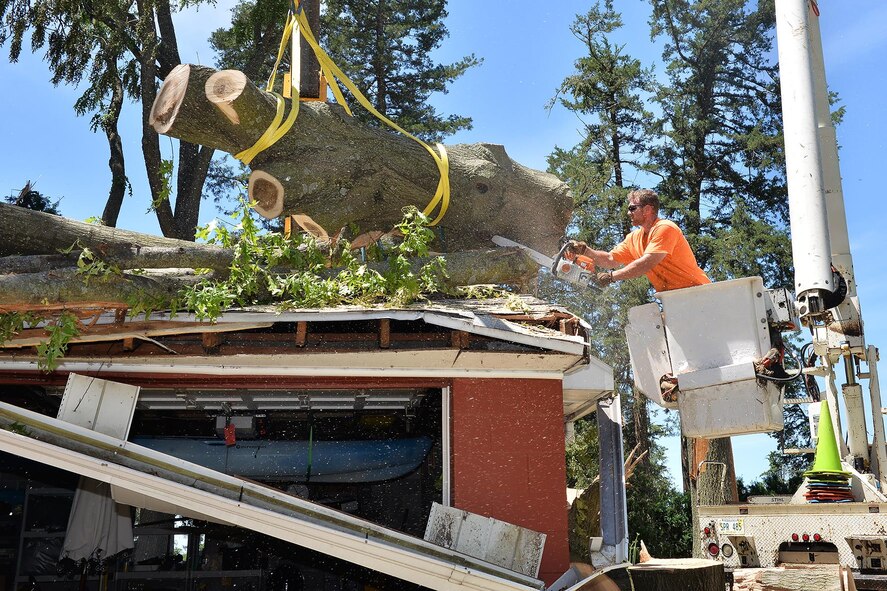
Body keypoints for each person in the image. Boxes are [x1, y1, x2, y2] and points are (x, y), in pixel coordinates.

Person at [568, 189, 710, 291]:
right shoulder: (634, 238)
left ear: (647, 209)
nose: (628, 213)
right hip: (672, 296)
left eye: (632, 208)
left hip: (698, 291)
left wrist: (612, 276)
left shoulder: (665, 228)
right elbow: (610, 259)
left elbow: (646, 263)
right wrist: (585, 250)